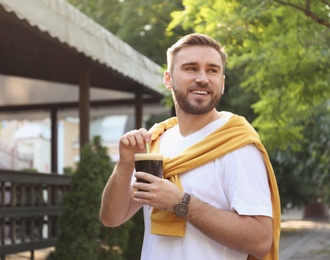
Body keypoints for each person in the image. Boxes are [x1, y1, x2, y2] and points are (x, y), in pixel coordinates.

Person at [99, 33, 280, 260]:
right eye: (191, 68)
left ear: (222, 83)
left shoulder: (237, 146)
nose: (203, 78)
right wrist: (125, 164)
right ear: (168, 79)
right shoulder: (157, 141)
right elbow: (112, 218)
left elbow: (261, 240)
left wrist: (179, 202)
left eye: (212, 70)